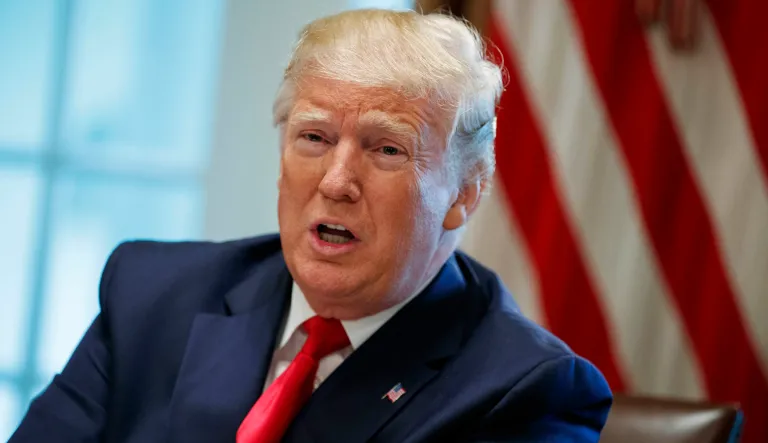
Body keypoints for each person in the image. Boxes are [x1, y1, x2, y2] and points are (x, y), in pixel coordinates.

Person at [10, 9, 612, 443]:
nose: (335, 180)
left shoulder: (524, 392)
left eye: (386, 150)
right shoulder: (150, 293)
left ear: (464, 192)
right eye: (314, 138)